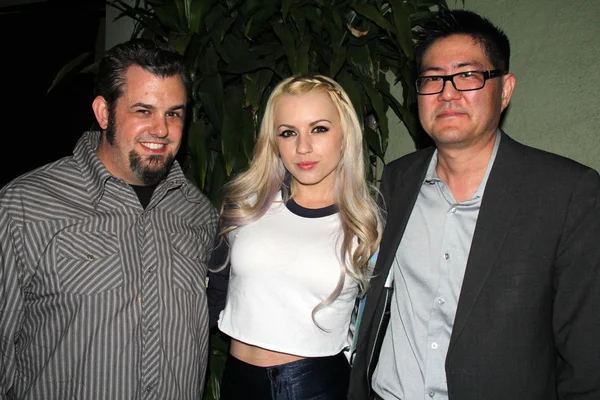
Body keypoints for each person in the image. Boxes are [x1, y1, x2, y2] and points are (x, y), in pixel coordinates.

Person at [347, 9, 600, 400]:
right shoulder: (397, 180)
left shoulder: (567, 193)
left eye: (467, 75)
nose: (447, 93)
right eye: (432, 79)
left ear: (505, 89)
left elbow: (586, 359)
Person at [0, 38, 219, 399]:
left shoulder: (200, 215)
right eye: (143, 111)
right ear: (104, 113)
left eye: (174, 114)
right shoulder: (24, 207)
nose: (161, 130)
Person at [206, 74, 383, 399]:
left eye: (319, 129)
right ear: (274, 142)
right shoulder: (244, 206)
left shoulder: (367, 224)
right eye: (288, 133)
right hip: (237, 382)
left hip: (317, 386)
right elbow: (214, 297)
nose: (303, 147)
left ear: (345, 135)